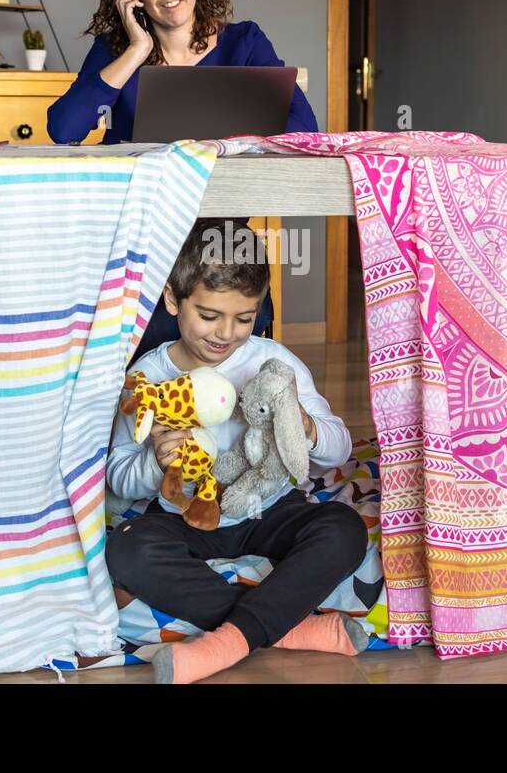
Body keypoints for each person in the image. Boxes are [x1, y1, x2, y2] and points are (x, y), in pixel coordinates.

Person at [105, 219, 368, 684]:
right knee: (126, 550)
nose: (225, 333)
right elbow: (118, 478)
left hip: (268, 508)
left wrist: (303, 428)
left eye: (244, 318)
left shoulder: (274, 362)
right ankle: (288, 628)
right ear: (173, 300)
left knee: (344, 529)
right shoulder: (148, 377)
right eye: (209, 315)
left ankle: (227, 640)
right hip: (186, 515)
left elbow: (339, 448)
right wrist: (155, 462)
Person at [49, 0, 314, 359]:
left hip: (221, 228)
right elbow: (65, 130)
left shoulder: (243, 42)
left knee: (237, 291)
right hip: (144, 233)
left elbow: (302, 127)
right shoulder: (115, 51)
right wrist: (137, 50)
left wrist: (220, 146)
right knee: (151, 346)